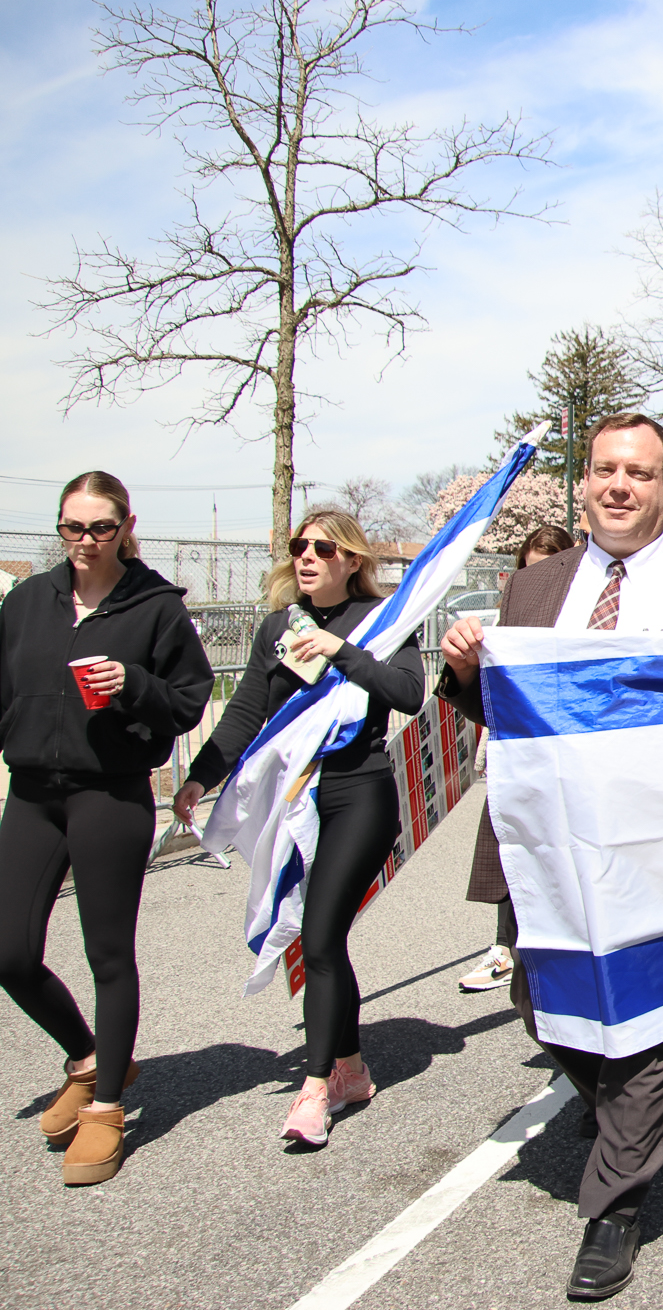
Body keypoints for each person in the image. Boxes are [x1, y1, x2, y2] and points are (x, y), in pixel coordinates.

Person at [438, 413, 663, 1301]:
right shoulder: (533, 587)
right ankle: (633, 1117)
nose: (619, 485)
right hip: (548, 841)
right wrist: (469, 667)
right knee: (541, 1001)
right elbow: (500, 716)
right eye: (604, 470)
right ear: (583, 483)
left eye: (640, 472)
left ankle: (615, 1204)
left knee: (645, 1016)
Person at [175, 510, 424, 1150]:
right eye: (299, 546)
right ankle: (351, 1069)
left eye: (323, 548)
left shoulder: (384, 620)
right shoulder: (278, 628)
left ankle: (316, 1089)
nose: (308, 557)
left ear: (352, 560)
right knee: (326, 941)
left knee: (317, 937)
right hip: (297, 799)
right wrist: (200, 779)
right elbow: (245, 713)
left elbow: (406, 694)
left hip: (360, 793)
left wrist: (342, 651)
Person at [1, 472, 212, 1186]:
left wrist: (133, 683)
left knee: (107, 954)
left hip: (110, 792)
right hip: (31, 791)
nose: (85, 541)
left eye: (99, 527)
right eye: (72, 527)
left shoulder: (154, 607)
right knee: (9, 952)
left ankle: (109, 1107)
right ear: (58, 527)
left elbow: (188, 701)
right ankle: (89, 1057)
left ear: (125, 525)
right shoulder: (30, 600)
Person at [458, 522, 578, 995]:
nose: (539, 582)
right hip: (525, 752)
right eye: (530, 572)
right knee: (513, 846)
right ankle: (506, 948)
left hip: (576, 757)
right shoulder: (514, 617)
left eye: (550, 569)